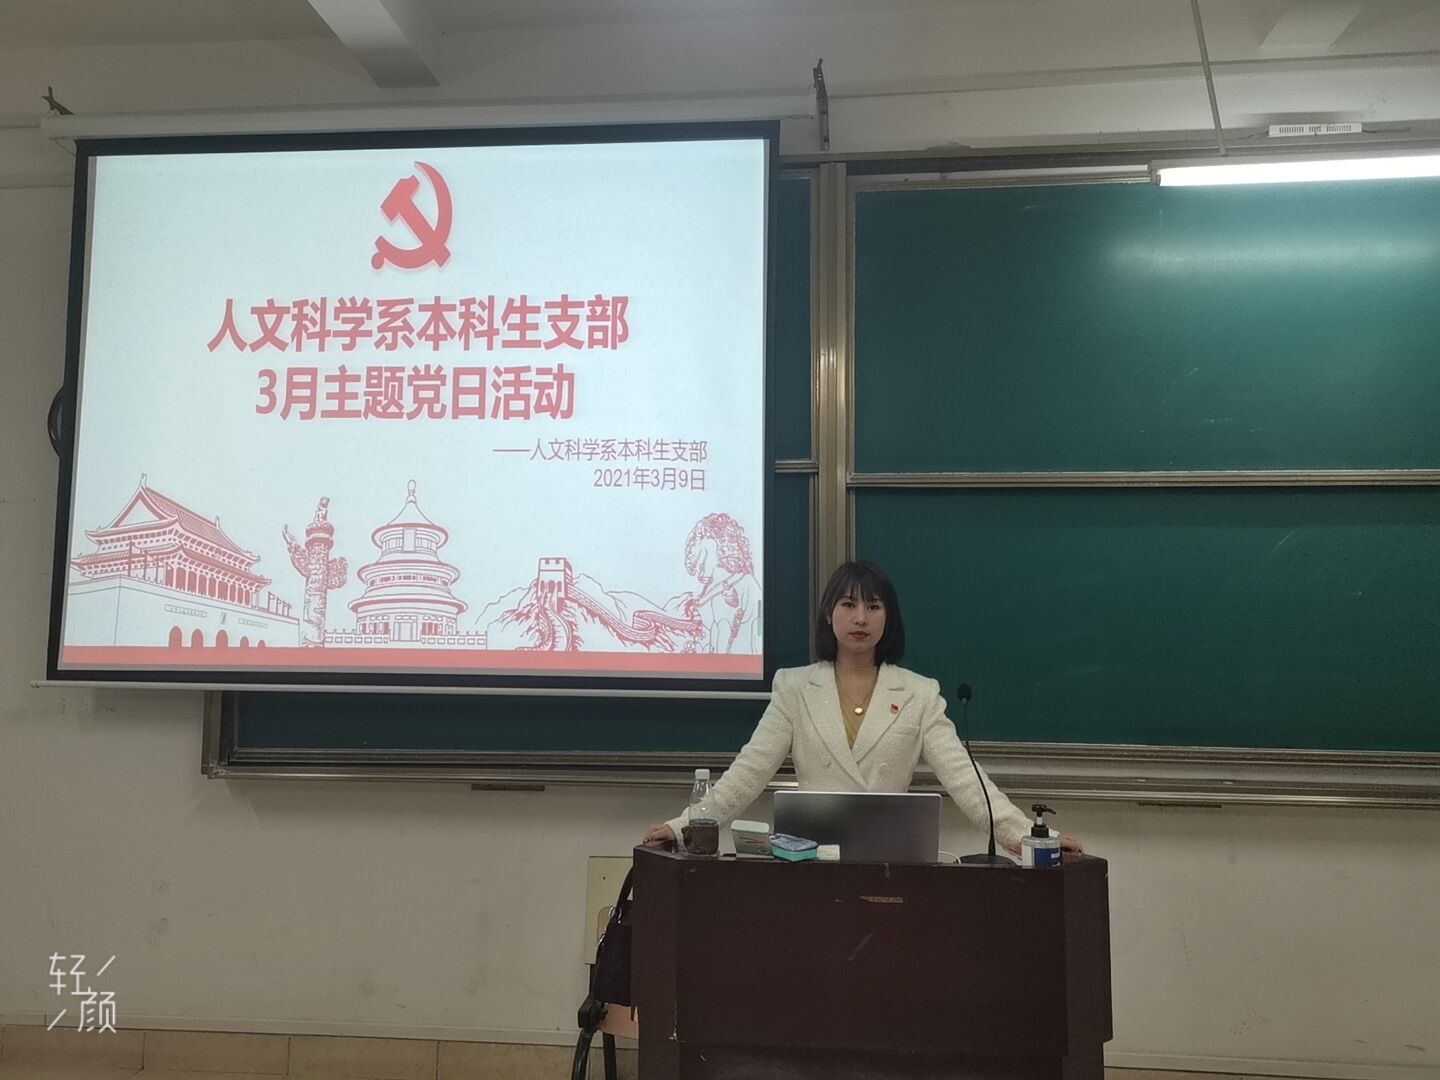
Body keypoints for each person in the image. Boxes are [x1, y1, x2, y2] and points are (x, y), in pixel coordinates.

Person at [643, 559, 1082, 857]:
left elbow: (966, 779)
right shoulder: (795, 687)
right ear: (828, 614)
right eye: (848, 605)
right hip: (810, 863)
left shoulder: (919, 693)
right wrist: (685, 825)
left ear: (888, 618)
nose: (860, 618)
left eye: (873, 607)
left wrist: (1028, 837)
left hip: (893, 866)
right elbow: (748, 773)